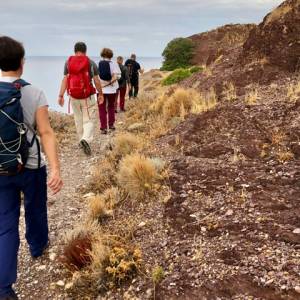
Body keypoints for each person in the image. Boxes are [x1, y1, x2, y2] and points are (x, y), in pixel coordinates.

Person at [0, 36, 63, 300]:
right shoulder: (35, 92)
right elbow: (46, 132)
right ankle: (37, 246)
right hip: (31, 165)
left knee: (5, 223)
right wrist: (56, 167)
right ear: (22, 63)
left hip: (0, 168)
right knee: (36, 208)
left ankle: (4, 287)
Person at [58, 42, 104, 155]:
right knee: (89, 119)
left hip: (73, 96)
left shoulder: (68, 63)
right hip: (86, 97)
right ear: (85, 51)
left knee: (78, 119)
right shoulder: (90, 63)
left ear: (74, 50)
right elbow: (96, 80)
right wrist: (101, 94)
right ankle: (85, 139)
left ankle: (81, 140)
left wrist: (61, 95)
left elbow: (65, 79)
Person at [98, 48, 121, 134]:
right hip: (111, 90)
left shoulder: (98, 63)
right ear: (111, 55)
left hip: (101, 90)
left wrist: (102, 86)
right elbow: (117, 77)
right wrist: (109, 83)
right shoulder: (114, 64)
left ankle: (103, 127)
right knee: (111, 106)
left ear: (102, 55)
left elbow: (96, 77)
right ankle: (111, 125)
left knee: (101, 108)